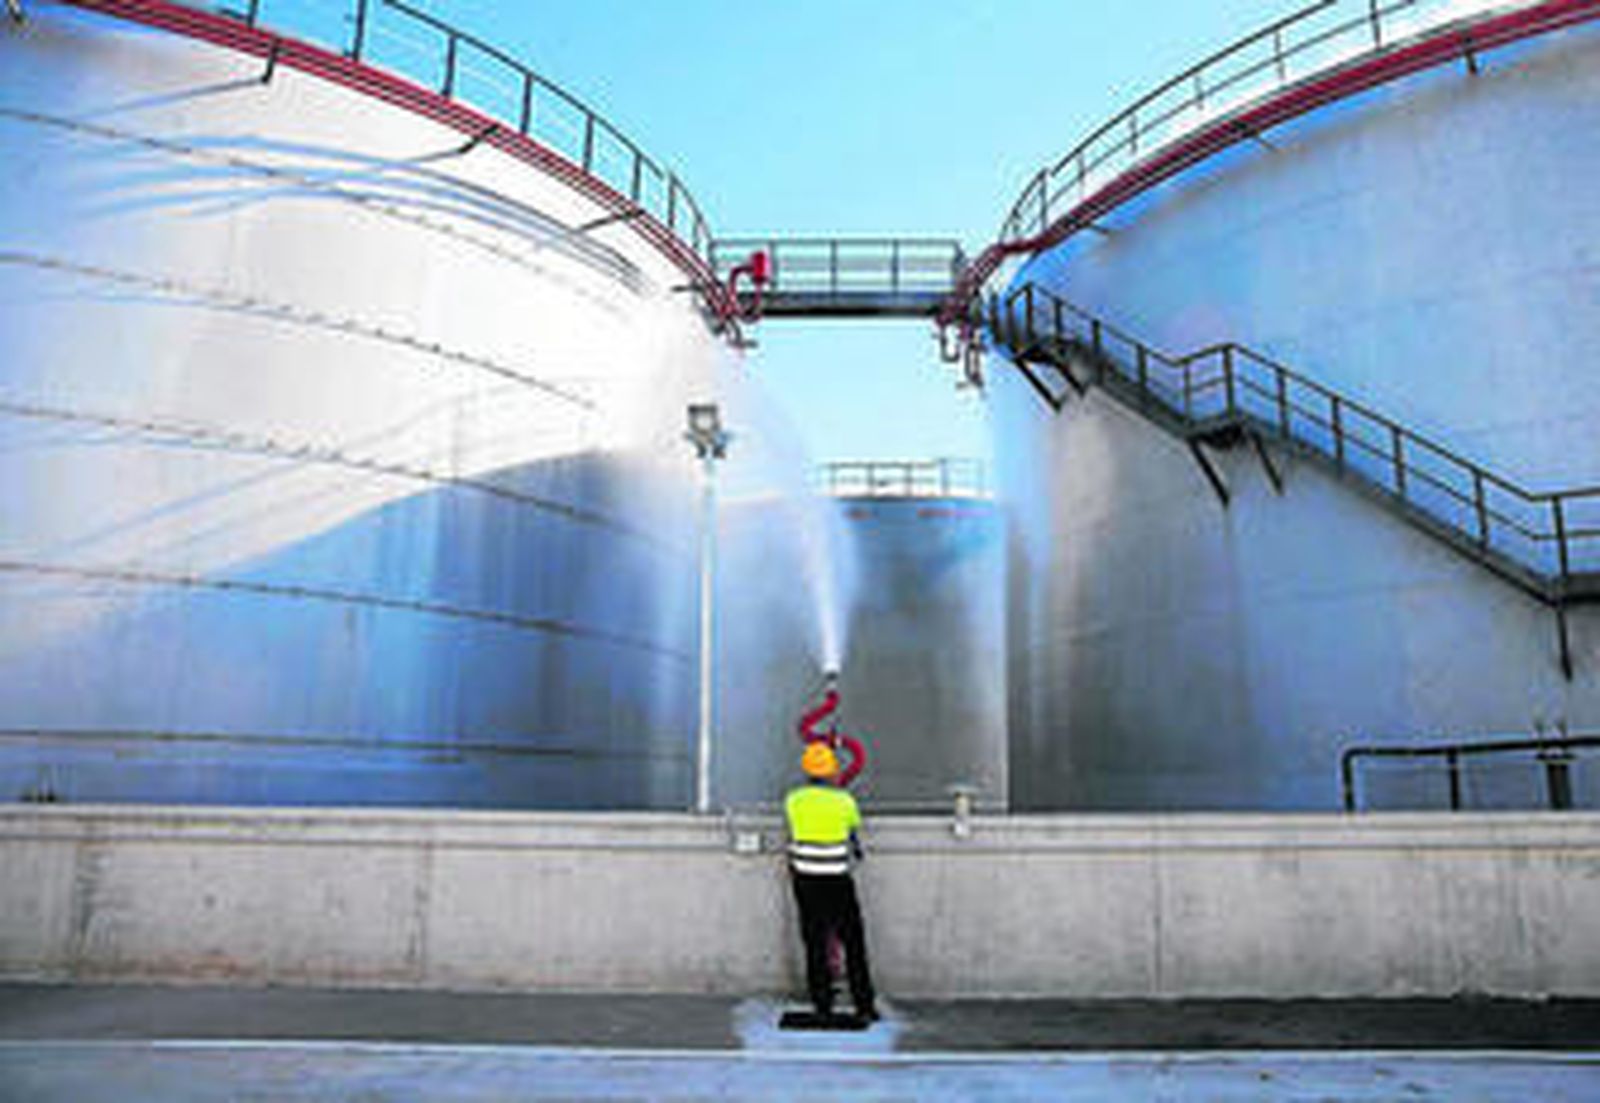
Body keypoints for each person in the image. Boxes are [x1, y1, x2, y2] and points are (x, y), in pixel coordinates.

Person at [784, 741, 877, 1022]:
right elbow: (853, 831)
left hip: (805, 879)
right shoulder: (845, 801)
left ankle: (822, 1004)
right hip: (837, 878)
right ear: (832, 772)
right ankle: (864, 1004)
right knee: (852, 940)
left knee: (814, 941)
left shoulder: (793, 800)